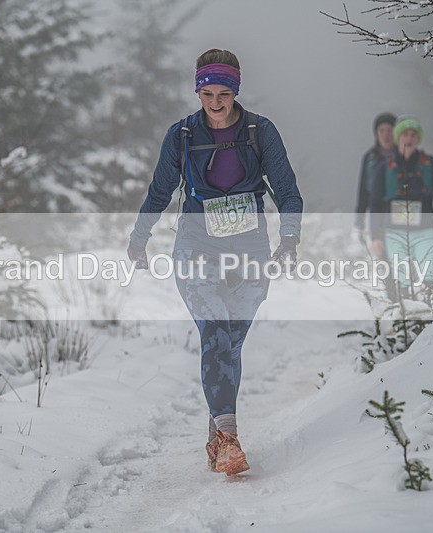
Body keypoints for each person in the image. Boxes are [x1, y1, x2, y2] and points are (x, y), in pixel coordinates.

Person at [127, 49, 303, 476]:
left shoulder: (261, 131)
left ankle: (217, 436)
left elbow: (286, 189)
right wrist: (139, 237)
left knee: (230, 341)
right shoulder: (182, 134)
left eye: (225, 93)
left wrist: (290, 237)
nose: (217, 102)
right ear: (198, 90)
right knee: (214, 330)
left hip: (249, 247)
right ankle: (229, 437)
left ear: (236, 91)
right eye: (208, 92)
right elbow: (159, 191)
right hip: (196, 244)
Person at [369, 115, 433, 301]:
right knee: (401, 281)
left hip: (426, 230)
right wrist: (375, 236)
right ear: (398, 137)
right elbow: (375, 203)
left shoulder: (429, 164)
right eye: (405, 134)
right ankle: (405, 323)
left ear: (418, 138)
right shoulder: (384, 168)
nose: (409, 138)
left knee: (430, 277)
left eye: (413, 134)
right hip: (394, 233)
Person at [354, 112, 396, 236]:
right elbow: (363, 191)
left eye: (389, 130)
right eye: (381, 131)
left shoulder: (404, 156)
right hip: (377, 211)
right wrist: (359, 219)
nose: (385, 135)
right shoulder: (369, 158)